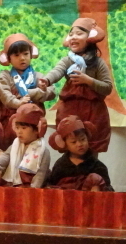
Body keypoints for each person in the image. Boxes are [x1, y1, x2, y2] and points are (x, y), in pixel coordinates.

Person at [40, 18, 113, 153]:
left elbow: (107, 87)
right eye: (71, 34)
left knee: (91, 149)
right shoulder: (67, 60)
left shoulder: (98, 63)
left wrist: (88, 80)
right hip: (70, 111)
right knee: (70, 145)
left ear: (90, 37)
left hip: (93, 113)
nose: (73, 37)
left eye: (79, 34)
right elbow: (57, 71)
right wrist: (47, 80)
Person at [0, 34, 56, 150]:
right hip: (11, 123)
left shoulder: (38, 76)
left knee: (34, 151)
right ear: (8, 58)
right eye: (16, 55)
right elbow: (5, 95)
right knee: (10, 151)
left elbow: (52, 92)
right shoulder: (5, 76)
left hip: (33, 124)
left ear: (31, 54)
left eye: (25, 54)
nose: (22, 58)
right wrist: (18, 103)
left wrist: (36, 91)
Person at [0, 103, 50, 188]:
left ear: (37, 129)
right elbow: (6, 156)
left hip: (31, 188)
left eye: (24, 128)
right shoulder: (15, 145)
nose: (19, 132)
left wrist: (34, 189)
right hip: (14, 186)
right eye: (17, 128)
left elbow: (41, 173)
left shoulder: (43, 151)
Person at [48, 115, 113, 191]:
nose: (79, 144)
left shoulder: (98, 166)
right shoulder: (60, 165)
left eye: (82, 139)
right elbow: (52, 187)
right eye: (73, 142)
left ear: (87, 138)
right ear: (65, 145)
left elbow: (108, 191)